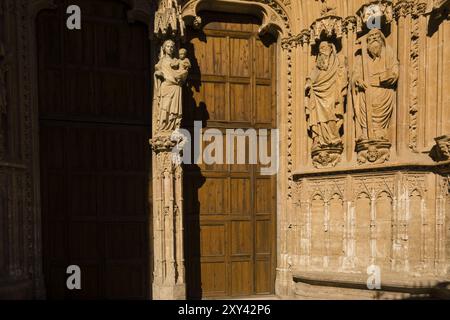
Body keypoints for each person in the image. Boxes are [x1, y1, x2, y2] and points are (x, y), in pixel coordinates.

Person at [305, 41, 347, 150]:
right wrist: (309, 84)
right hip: (318, 96)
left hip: (332, 94)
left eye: (323, 47)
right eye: (320, 49)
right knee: (317, 118)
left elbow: (342, 77)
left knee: (331, 115)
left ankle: (333, 138)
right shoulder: (317, 67)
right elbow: (311, 77)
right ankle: (318, 139)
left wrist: (341, 87)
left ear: (330, 48)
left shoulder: (338, 62)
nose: (321, 51)